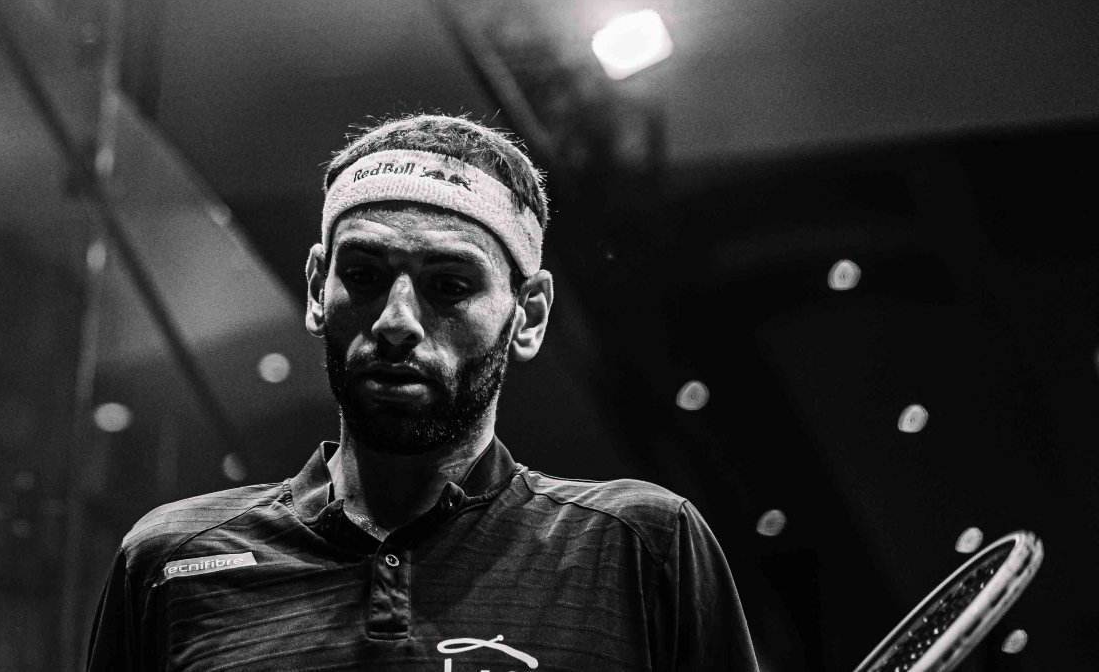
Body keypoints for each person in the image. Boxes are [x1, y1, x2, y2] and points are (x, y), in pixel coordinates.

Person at [86, 113, 761, 670]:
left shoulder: (639, 548)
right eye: (365, 273)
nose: (397, 321)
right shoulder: (172, 561)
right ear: (319, 285)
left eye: (449, 285)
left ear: (528, 314)